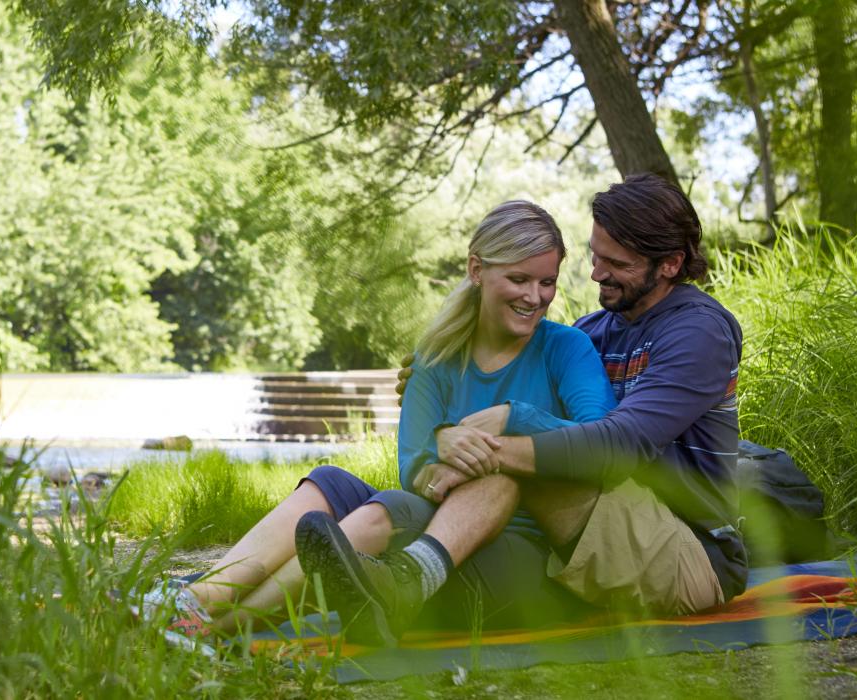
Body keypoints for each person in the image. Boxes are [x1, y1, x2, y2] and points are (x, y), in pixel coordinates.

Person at [296, 173, 749, 646]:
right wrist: (436, 401)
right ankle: (354, 585)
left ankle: (407, 577)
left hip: (687, 550)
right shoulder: (597, 329)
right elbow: (549, 402)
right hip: (603, 525)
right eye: (595, 255)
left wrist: (508, 422)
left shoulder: (698, 333)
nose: (596, 273)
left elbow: (620, 446)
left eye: (617, 263)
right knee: (364, 495)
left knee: (519, 458)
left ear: (671, 264)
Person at [140, 200, 615, 642]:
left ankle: (225, 625)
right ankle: (201, 597)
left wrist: (513, 420)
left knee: (405, 504)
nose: (536, 297)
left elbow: (601, 444)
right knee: (329, 483)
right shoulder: (437, 358)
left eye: (547, 282)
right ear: (477, 269)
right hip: (440, 533)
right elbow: (415, 471)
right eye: (519, 280)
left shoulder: (565, 348)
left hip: (520, 561)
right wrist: (444, 460)